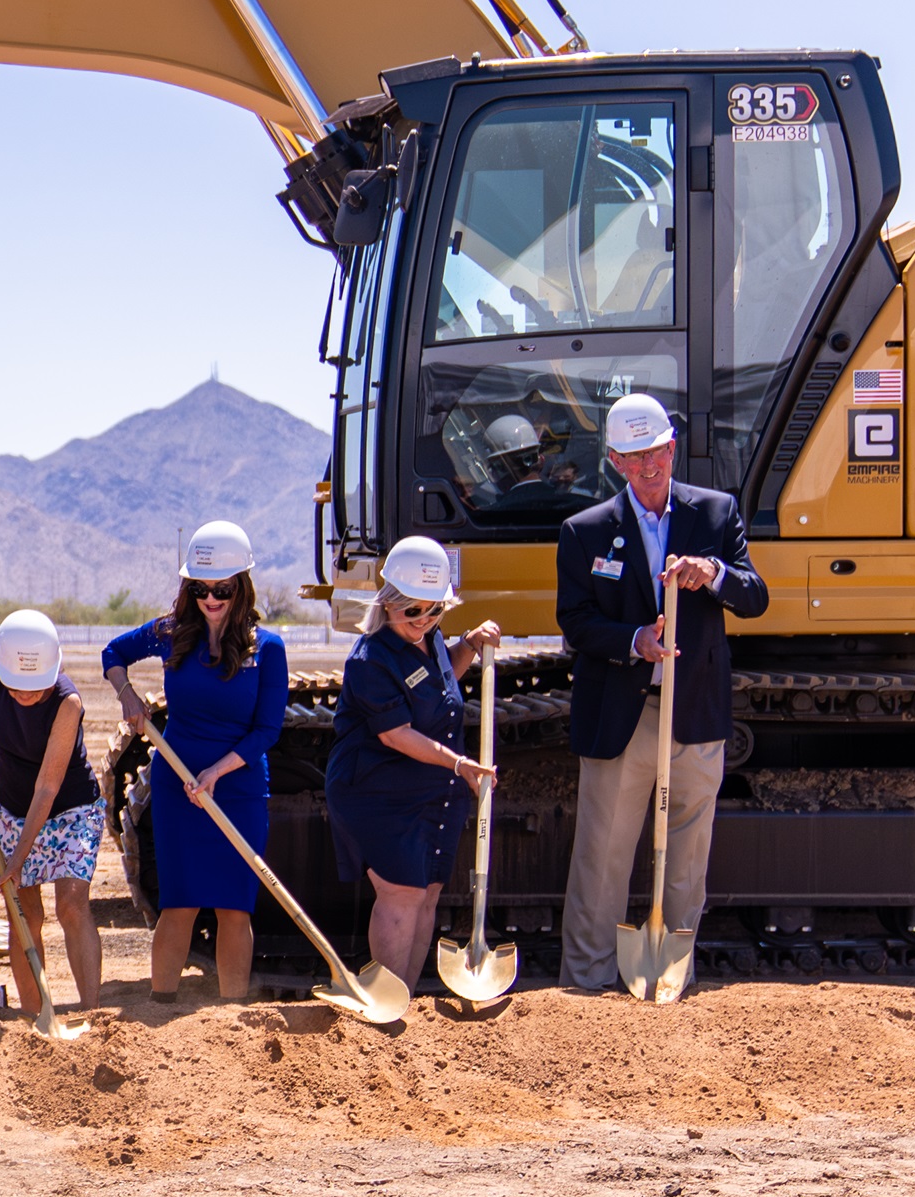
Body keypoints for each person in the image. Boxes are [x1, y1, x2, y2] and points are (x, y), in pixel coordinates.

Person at [557, 391, 769, 991]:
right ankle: (586, 983)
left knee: (686, 863)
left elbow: (755, 595)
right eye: (633, 456)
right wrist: (633, 639)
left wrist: (715, 575)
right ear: (616, 462)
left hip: (694, 713)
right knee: (602, 859)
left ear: (672, 448)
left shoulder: (716, 513)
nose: (648, 466)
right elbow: (574, 621)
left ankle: (670, 980)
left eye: (657, 452)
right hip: (622, 715)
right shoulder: (584, 531)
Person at [100, 519, 289, 1005]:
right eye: (201, 588)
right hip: (177, 787)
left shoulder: (267, 649)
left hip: (238, 789)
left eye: (222, 588)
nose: (211, 598)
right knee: (178, 903)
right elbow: (113, 652)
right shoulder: (169, 634)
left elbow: (267, 731)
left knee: (233, 907)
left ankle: (231, 1014)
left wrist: (217, 772)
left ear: (241, 586)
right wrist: (127, 696)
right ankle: (162, 1007)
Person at [326, 535, 507, 990]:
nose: (423, 621)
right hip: (379, 792)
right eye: (413, 611)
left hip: (430, 790)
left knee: (426, 894)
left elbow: (440, 683)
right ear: (388, 604)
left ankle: (402, 994)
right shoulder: (371, 659)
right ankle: (385, 996)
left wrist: (469, 641)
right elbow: (396, 733)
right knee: (401, 892)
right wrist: (460, 764)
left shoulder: (431, 640)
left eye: (435, 610)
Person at [0, 606, 104, 1011]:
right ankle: (36, 1018)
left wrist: (16, 858)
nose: (26, 696)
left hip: (70, 809)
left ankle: (92, 1014)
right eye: (17, 688)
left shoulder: (68, 703)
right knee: (25, 913)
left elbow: (48, 787)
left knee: (70, 903)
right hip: (15, 807)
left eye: (36, 687)